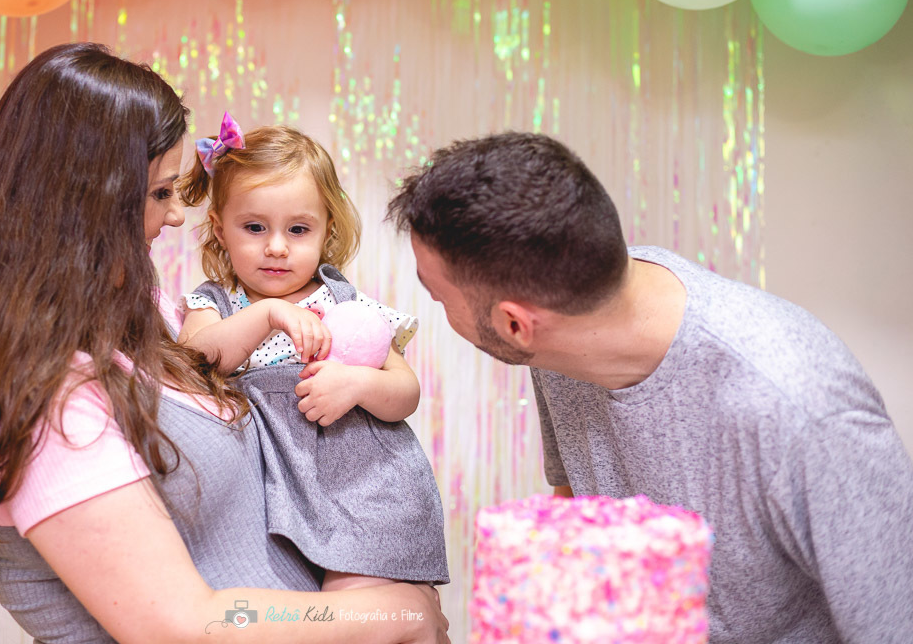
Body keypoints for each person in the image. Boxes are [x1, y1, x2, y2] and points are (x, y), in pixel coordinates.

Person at [0, 43, 448, 644]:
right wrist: (393, 615)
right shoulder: (51, 409)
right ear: (87, 203)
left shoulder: (139, 320)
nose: (177, 217)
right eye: (159, 194)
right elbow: (184, 627)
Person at [387, 130, 913, 644]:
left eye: (436, 296)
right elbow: (577, 518)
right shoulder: (565, 331)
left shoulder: (800, 409)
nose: (435, 307)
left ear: (514, 324)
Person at [176, 117, 449, 591]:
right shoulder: (217, 305)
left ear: (327, 230)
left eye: (298, 229)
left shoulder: (345, 305)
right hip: (264, 501)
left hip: (362, 494)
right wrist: (267, 316)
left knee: (365, 616)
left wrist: (358, 384)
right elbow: (190, 364)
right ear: (220, 230)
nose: (277, 247)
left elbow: (406, 391)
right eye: (254, 227)